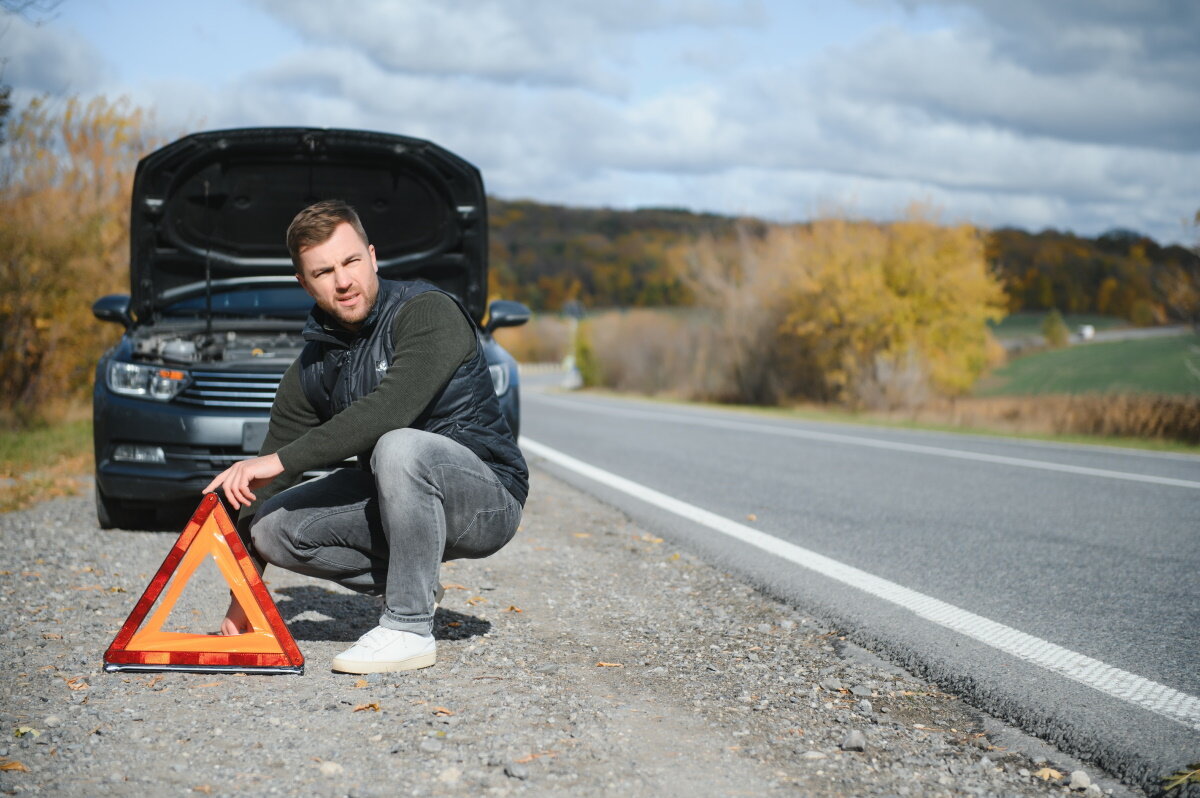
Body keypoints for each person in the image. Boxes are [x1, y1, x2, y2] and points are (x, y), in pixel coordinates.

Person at [203, 199, 528, 674]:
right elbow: (261, 486)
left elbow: (389, 410)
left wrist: (278, 461)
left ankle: (409, 627)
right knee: (272, 527)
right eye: (323, 271)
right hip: (396, 498)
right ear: (304, 283)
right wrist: (243, 599)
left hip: (484, 498)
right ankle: (410, 582)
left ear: (373, 257)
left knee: (399, 443)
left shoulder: (427, 313)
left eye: (351, 261)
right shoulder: (313, 366)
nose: (343, 280)